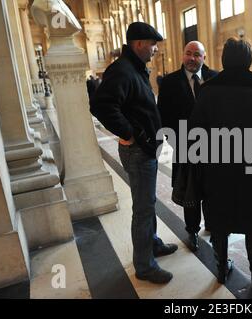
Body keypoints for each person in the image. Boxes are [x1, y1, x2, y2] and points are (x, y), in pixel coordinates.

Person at [189, 38, 252, 289]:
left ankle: (220, 268)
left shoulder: (207, 91)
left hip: (218, 169)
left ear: (223, 60)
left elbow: (196, 134)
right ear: (250, 61)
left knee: (219, 220)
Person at [90, 22, 178, 284]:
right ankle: (145, 265)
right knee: (142, 208)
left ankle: (152, 244)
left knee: (147, 202)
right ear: (138, 43)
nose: (155, 50)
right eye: (152, 45)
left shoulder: (134, 68)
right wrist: (130, 133)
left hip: (145, 147)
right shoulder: (122, 70)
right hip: (138, 151)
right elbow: (102, 106)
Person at [158, 41, 218, 252]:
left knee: (212, 189)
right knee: (191, 192)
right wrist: (176, 142)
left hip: (213, 147)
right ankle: (192, 230)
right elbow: (164, 116)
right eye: (188, 54)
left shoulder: (215, 77)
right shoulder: (169, 82)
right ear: (183, 55)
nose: (192, 58)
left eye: (197, 55)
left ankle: (212, 224)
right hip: (185, 147)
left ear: (204, 57)